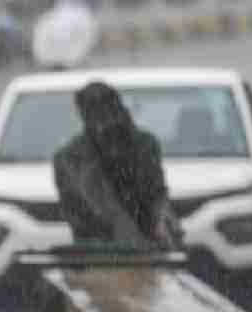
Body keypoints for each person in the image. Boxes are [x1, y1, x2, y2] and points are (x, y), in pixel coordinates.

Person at [53, 80, 181, 250]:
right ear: (84, 116)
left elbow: (157, 194)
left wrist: (162, 220)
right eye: (96, 112)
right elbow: (73, 212)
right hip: (97, 252)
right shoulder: (70, 157)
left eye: (109, 109)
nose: (106, 120)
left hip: (149, 247)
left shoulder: (144, 145)